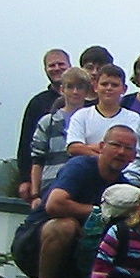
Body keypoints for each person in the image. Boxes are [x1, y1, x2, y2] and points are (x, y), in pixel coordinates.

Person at [35, 125, 138, 278]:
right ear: (101, 146)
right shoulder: (80, 166)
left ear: (134, 156)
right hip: (37, 244)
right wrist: (103, 211)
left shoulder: (124, 189)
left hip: (84, 254)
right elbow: (54, 205)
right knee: (64, 226)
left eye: (129, 148)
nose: (121, 152)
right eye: (116, 145)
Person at [27, 66, 91, 207]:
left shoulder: (92, 120)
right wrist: (35, 195)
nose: (75, 92)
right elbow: (37, 160)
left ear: (87, 91)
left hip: (83, 186)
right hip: (50, 185)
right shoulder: (48, 122)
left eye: (80, 87)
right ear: (62, 90)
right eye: (70, 87)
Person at [17, 49, 71, 201]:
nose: (56, 68)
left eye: (61, 64)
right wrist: (25, 179)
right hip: (44, 179)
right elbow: (26, 142)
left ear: (70, 66)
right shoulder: (38, 103)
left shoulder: (84, 102)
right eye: (51, 65)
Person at [66, 65, 139, 156]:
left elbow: (132, 149)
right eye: (104, 84)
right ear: (96, 87)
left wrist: (89, 147)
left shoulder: (133, 118)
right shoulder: (81, 115)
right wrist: (103, 159)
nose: (109, 88)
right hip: (87, 165)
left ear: (124, 89)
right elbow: (73, 147)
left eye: (114, 85)